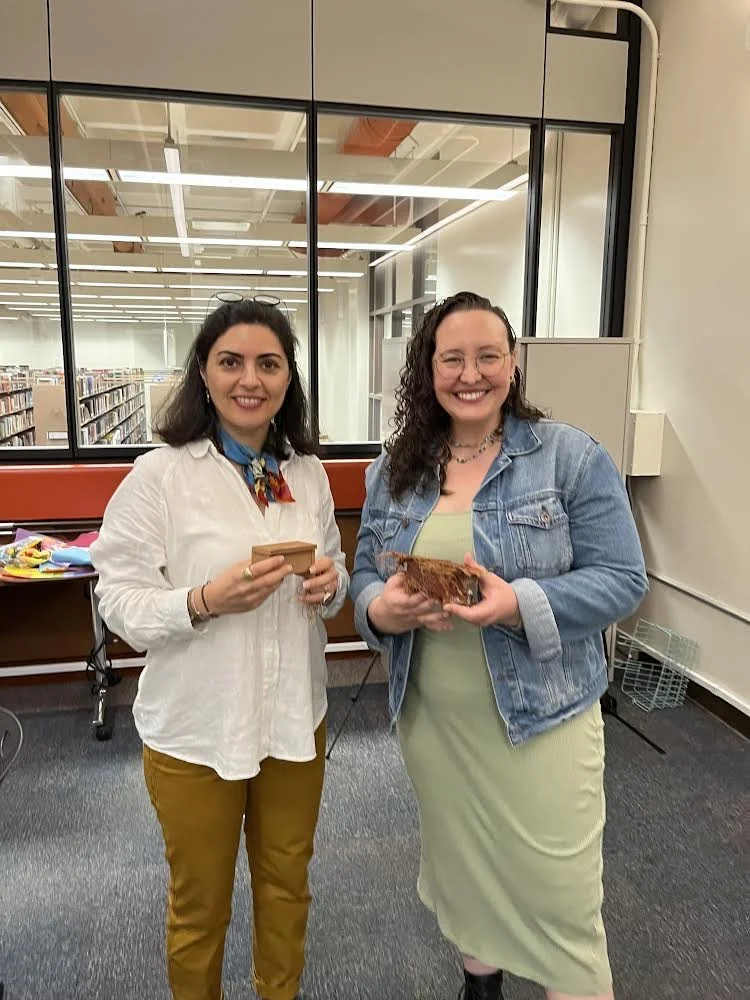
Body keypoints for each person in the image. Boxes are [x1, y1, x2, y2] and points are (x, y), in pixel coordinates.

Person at [350, 291, 647, 1000]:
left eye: (488, 355)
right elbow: (365, 569)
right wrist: (382, 609)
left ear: (513, 365)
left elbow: (623, 580)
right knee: (463, 876)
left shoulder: (570, 457)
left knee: (563, 907)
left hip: (541, 721)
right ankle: (479, 985)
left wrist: (523, 604)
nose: (470, 373)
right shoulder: (395, 469)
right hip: (436, 724)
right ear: (429, 369)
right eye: (451, 358)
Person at [91, 298, 348, 1000]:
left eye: (269, 363)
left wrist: (331, 582)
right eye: (230, 361)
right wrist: (203, 601)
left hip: (294, 719)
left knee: (287, 888)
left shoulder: (308, 474)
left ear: (289, 377)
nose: (250, 379)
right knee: (201, 906)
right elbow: (119, 602)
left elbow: (335, 576)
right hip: (197, 730)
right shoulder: (159, 477)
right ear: (203, 374)